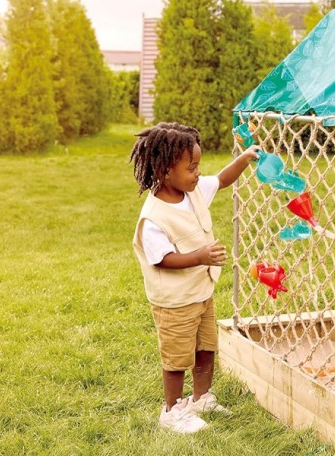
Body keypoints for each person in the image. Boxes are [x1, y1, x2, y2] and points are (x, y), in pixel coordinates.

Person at [130, 122, 259, 433]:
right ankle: (171, 410)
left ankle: (201, 398)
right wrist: (200, 257)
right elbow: (161, 260)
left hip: (201, 293)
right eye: (192, 167)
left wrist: (243, 158)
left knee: (205, 348)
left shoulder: (192, 191)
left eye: (198, 165)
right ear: (164, 171)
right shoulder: (153, 217)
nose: (198, 173)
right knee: (177, 359)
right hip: (174, 302)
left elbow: (222, 180)